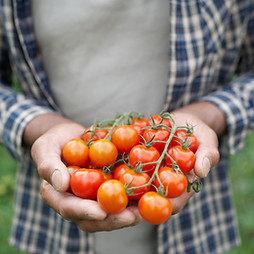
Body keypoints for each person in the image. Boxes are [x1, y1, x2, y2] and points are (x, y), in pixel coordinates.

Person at [0, 0, 253, 253]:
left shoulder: (154, 158)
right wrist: (41, 126)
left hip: (192, 225)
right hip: (54, 222)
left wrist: (208, 114)